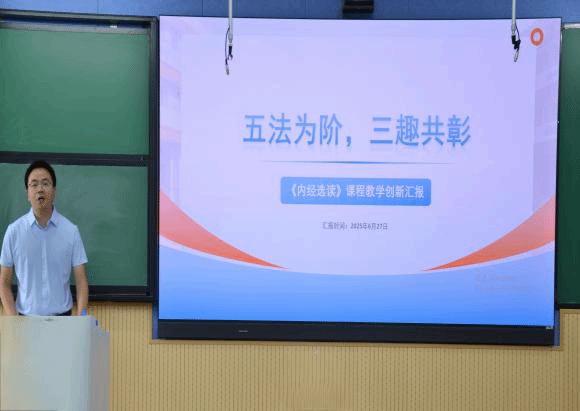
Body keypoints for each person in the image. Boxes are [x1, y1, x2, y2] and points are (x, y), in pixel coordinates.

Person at [0, 160, 89, 316]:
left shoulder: (70, 231)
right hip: (25, 321)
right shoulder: (13, 232)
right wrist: (13, 321)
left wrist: (82, 318)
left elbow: (81, 282)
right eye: (34, 185)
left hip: (62, 319)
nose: (40, 189)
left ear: (54, 191)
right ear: (27, 193)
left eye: (45, 184)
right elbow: (4, 284)